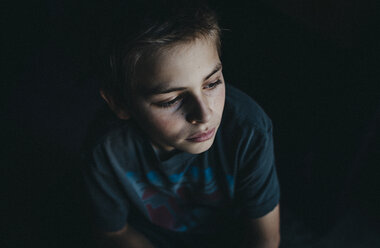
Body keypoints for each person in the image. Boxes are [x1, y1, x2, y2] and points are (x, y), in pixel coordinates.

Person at [82, 1, 280, 247]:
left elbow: (265, 239)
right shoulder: (107, 148)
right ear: (120, 104)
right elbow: (114, 232)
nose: (204, 115)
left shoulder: (249, 131)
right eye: (171, 100)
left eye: (211, 83)